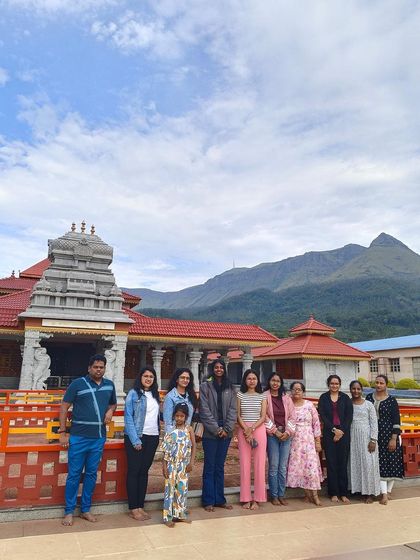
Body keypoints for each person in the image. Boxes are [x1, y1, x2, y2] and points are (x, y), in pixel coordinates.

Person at [59, 354, 117, 526]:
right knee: (74, 474)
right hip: (78, 436)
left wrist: (111, 411)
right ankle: (69, 511)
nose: (99, 369)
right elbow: (64, 407)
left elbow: (113, 403)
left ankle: (85, 509)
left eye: (102, 367)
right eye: (96, 367)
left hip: (98, 437)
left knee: (91, 474)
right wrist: (62, 432)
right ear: (89, 368)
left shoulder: (109, 385)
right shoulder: (78, 384)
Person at [199, 359, 237, 512]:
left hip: (226, 432)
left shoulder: (231, 388)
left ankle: (220, 499)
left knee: (220, 467)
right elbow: (204, 410)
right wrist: (216, 429)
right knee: (209, 466)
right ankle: (208, 500)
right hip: (210, 432)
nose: (219, 369)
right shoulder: (205, 387)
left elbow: (233, 410)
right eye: (216, 367)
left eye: (221, 367)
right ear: (212, 369)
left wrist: (226, 429)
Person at [124, 366, 160, 520]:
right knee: (134, 471)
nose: (148, 379)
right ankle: (133, 507)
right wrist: (135, 439)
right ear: (140, 377)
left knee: (144, 472)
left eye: (151, 376)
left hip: (153, 436)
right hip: (137, 436)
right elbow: (128, 418)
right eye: (145, 376)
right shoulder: (133, 394)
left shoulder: (155, 395)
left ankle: (141, 505)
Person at [366, 374, 404, 505]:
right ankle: (383, 494)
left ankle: (387, 492)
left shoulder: (392, 400)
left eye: (381, 383)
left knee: (391, 462)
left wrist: (393, 438)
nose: (378, 385)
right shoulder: (369, 398)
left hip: (389, 435)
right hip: (374, 435)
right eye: (376, 382)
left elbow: (396, 421)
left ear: (386, 385)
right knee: (379, 464)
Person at [318, 374, 353, 503]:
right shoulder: (323, 398)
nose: (334, 385)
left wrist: (341, 431)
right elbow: (323, 415)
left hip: (343, 434)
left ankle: (343, 493)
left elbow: (349, 416)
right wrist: (334, 430)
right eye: (332, 383)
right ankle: (333, 493)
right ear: (328, 384)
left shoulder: (345, 398)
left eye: (336, 383)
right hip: (329, 433)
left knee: (342, 463)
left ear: (340, 384)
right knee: (331, 463)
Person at [287, 381, 323, 506]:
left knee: (311, 467)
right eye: (294, 389)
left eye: (299, 389)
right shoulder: (288, 404)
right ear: (290, 391)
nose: (297, 391)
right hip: (294, 441)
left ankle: (315, 495)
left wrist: (317, 441)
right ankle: (306, 494)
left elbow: (316, 423)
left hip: (308, 440)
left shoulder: (309, 405)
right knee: (300, 467)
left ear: (303, 392)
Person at [237, 368, 267, 510]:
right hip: (243, 430)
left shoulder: (262, 396)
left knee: (259, 465)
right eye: (249, 378)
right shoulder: (240, 395)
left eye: (254, 378)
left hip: (259, 429)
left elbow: (263, 416)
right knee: (245, 464)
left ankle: (258, 498)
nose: (252, 381)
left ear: (257, 380)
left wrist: (252, 429)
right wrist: (246, 429)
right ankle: (246, 498)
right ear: (245, 380)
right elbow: (238, 415)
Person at [264, 372, 296, 506]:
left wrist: (287, 432)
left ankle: (282, 494)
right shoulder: (264, 397)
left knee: (283, 467)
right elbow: (264, 416)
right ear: (269, 382)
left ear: (281, 383)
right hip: (272, 436)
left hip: (286, 436)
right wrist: (275, 431)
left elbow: (292, 416)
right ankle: (274, 495)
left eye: (278, 381)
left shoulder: (286, 398)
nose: (275, 383)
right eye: (273, 380)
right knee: (273, 466)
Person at [162, 403, 196, 527]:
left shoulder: (189, 430)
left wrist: (191, 462)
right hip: (171, 464)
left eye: (182, 416)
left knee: (181, 489)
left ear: (186, 417)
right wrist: (164, 466)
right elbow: (165, 450)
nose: (179, 418)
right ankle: (167, 517)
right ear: (174, 416)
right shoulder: (170, 430)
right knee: (169, 490)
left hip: (184, 465)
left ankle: (180, 515)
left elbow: (194, 446)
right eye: (177, 416)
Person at [348, 380, 381, 503]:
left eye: (358, 389)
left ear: (361, 390)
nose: (356, 391)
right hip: (352, 437)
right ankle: (358, 490)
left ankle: (370, 493)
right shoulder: (347, 404)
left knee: (368, 464)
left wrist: (373, 440)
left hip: (366, 437)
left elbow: (374, 423)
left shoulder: (368, 404)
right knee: (354, 463)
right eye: (353, 389)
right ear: (350, 390)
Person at [163, 368, 198, 433]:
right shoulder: (170, 397)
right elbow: (168, 422)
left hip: (187, 435)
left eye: (187, 378)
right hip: (174, 436)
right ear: (177, 379)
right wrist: (171, 438)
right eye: (182, 377)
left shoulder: (191, 396)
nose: (185, 380)